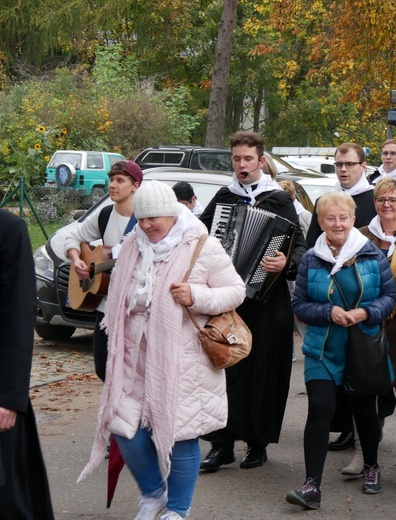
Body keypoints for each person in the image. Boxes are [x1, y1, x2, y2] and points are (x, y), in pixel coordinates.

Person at [78, 181, 246, 520]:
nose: (147, 225)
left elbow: (235, 291)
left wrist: (196, 296)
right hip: (133, 355)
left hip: (181, 358)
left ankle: (177, 510)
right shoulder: (132, 245)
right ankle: (154, 494)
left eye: (154, 218)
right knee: (123, 425)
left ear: (172, 213)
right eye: (141, 219)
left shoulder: (202, 245)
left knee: (180, 434)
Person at [198, 131, 307, 471]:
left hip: (266, 299)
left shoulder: (278, 199)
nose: (241, 165)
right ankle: (221, 444)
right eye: (236, 159)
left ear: (261, 161)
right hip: (227, 300)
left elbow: (300, 247)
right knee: (223, 368)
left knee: (264, 372)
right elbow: (198, 239)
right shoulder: (222, 197)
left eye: (248, 159)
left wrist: (285, 262)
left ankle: (257, 443)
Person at [286, 192, 396, 509]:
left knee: (364, 412)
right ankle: (312, 486)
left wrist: (366, 313)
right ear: (320, 222)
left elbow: (389, 296)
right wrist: (327, 312)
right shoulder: (311, 258)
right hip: (323, 347)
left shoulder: (371, 254)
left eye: (343, 217)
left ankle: (372, 466)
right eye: (330, 218)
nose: (337, 223)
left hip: (362, 346)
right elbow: (300, 305)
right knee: (320, 409)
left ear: (353, 220)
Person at [354, 178, 396, 476]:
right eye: (381, 199)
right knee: (364, 386)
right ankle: (363, 449)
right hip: (366, 321)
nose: (387, 205)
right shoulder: (362, 235)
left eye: (393, 200)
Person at [65, 160, 142, 382]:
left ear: (135, 185)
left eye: (120, 180)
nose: (113, 185)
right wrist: (76, 258)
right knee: (102, 367)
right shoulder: (105, 215)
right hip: (105, 306)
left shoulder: (146, 218)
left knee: (132, 370)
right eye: (111, 180)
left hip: (134, 306)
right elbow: (73, 236)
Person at [0, 210, 55, 519]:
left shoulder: (9, 230)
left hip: (1, 389)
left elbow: (18, 317)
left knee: (9, 499)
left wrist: (9, 396)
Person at [306, 143, 377, 247]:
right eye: (339, 164)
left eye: (349, 164)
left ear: (363, 167)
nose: (343, 169)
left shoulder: (378, 200)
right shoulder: (323, 201)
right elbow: (311, 244)